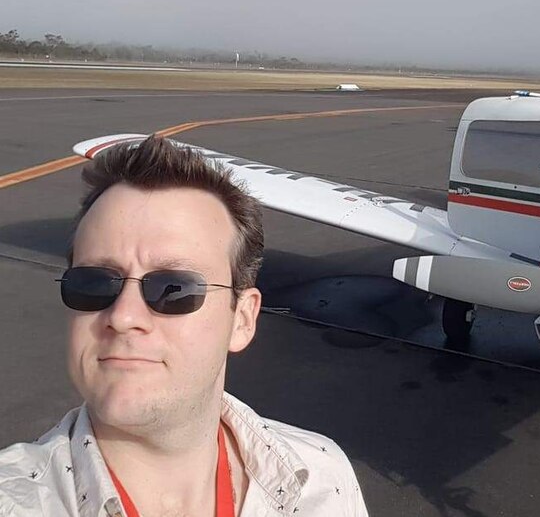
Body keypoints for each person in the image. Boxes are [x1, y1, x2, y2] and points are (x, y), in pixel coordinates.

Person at [0, 135, 368, 516]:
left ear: (242, 320)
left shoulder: (325, 482)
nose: (123, 317)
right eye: (93, 284)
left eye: (173, 289)